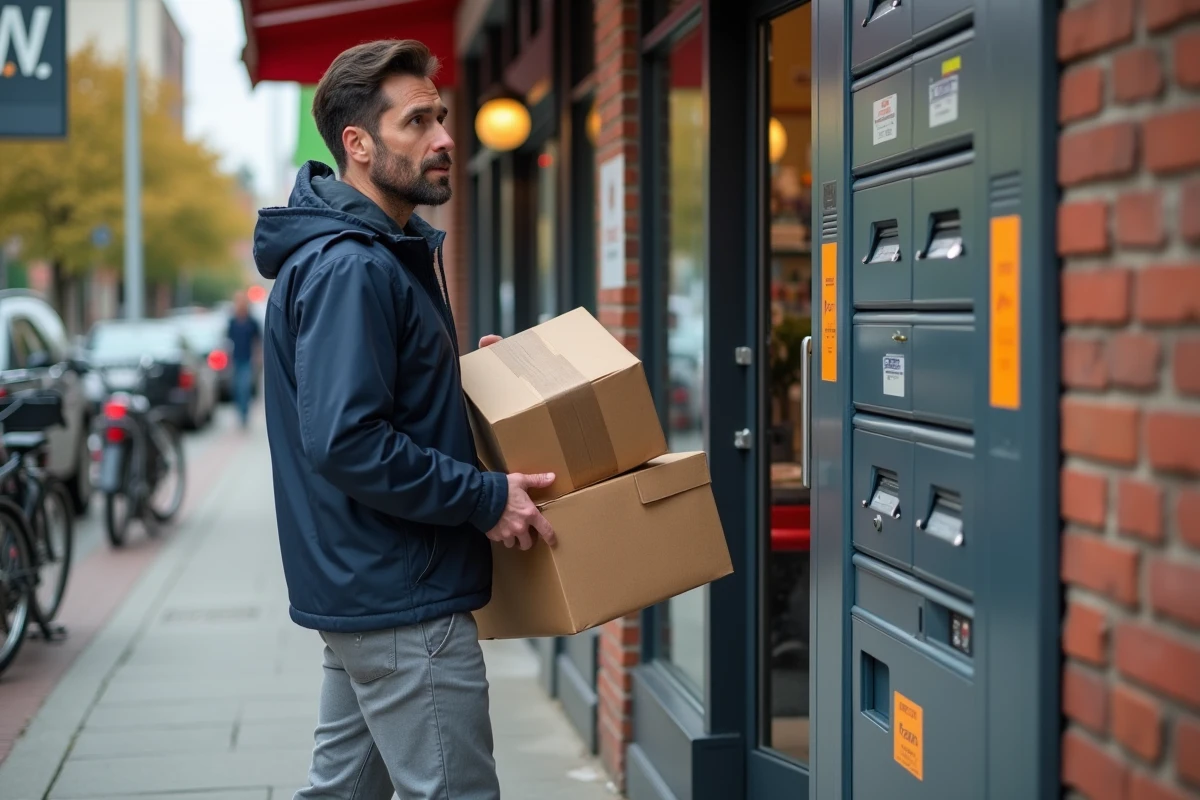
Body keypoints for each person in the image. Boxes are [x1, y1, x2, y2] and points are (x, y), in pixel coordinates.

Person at [251, 39, 557, 800]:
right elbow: (349, 440)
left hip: (373, 589)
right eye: (417, 121)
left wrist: (471, 387)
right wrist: (487, 497)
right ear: (358, 144)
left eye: (442, 117)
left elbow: (377, 404)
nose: (446, 138)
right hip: (400, 600)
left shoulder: (369, 256)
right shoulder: (352, 265)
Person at [226, 291, 260, 428]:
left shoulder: (252, 321)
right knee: (236, 388)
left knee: (244, 387)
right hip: (235, 359)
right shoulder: (232, 321)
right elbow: (227, 341)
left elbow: (257, 341)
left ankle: (245, 414)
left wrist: (258, 357)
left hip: (248, 359)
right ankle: (239, 413)